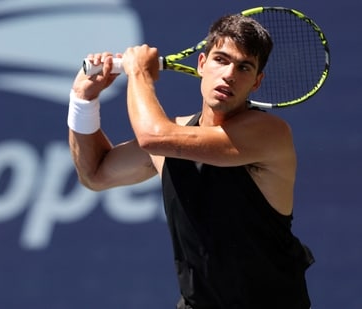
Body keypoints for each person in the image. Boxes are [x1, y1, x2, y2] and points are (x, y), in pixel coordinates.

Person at [67, 13, 315, 309]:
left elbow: (153, 136)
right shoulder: (174, 135)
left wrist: (139, 74)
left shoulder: (270, 134)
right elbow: (94, 173)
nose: (229, 74)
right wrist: (83, 99)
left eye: (244, 67)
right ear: (201, 64)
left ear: (257, 82)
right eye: (221, 60)